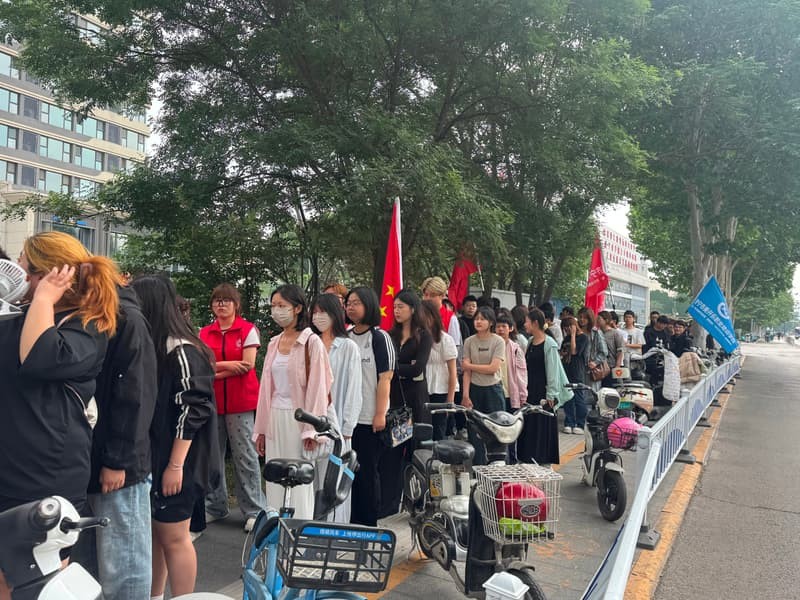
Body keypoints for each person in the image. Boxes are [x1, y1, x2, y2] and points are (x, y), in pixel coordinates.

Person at [0, 232, 121, 600]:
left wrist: (43, 298)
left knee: (44, 576)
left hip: (45, 473)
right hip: (10, 463)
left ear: (49, 275)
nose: (17, 272)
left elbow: (40, 358)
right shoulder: (20, 317)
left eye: (24, 265)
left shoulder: (87, 326)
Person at [130, 275, 220, 600]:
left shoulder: (182, 350)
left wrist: (175, 465)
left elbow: (193, 409)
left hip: (181, 459)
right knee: (157, 534)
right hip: (160, 457)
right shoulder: (157, 345)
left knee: (175, 536)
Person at [74, 282, 158, 600]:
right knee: (93, 567)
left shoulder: (125, 318)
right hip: (89, 461)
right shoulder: (87, 315)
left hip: (119, 467)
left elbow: (134, 395)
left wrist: (117, 459)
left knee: (124, 566)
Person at [254, 285, 332, 521]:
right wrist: (261, 429)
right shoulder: (274, 343)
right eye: (273, 306)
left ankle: (299, 529)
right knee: (275, 477)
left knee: (298, 479)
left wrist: (311, 430)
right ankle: (276, 529)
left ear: (297, 308)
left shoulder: (311, 342)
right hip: (275, 417)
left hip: (299, 420)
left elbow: (319, 388)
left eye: (282, 305)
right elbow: (266, 390)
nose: (276, 311)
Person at [200, 283, 266, 532]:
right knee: (212, 456)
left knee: (245, 455)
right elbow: (202, 366)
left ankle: (254, 510)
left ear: (236, 305)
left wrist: (215, 369)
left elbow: (247, 364)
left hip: (241, 402)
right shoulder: (204, 333)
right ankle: (215, 505)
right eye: (217, 300)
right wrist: (228, 366)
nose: (221, 304)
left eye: (226, 300)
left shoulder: (247, 330)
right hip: (213, 401)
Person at [309, 293, 363, 522]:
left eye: (323, 312)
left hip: (339, 423)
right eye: (315, 312)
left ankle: (335, 530)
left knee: (334, 480)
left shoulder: (348, 347)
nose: (318, 317)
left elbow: (354, 389)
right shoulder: (310, 344)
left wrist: (348, 427)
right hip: (312, 423)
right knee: (312, 481)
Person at [345, 287, 396, 526]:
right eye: (348, 303)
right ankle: (350, 520)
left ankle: (367, 524)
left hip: (369, 418)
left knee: (367, 473)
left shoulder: (379, 338)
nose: (351, 307)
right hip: (347, 419)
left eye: (356, 303)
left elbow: (385, 378)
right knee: (348, 473)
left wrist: (379, 413)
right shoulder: (345, 336)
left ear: (369, 305)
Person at [517, 309, 573, 465]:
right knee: (530, 424)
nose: (525, 324)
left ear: (535, 323)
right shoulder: (530, 341)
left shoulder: (550, 344)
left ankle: (544, 461)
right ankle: (529, 458)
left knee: (543, 425)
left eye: (527, 321)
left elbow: (553, 372)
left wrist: (551, 395)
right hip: (531, 390)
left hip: (544, 392)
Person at [462, 306, 506, 465]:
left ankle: (497, 467)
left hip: (493, 390)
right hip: (474, 389)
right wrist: (465, 395)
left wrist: (470, 365)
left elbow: (493, 368)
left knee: (496, 429)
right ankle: (478, 467)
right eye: (476, 319)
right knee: (475, 431)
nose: (478, 322)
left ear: (491, 322)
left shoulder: (498, 341)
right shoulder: (469, 341)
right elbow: (466, 372)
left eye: (482, 319)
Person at [419, 300, 458, 440]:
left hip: (440, 389)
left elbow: (453, 372)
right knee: (422, 429)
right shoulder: (417, 337)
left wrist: (450, 400)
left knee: (438, 430)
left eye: (424, 315)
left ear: (433, 317)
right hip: (422, 387)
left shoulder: (445, 339)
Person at [495, 314, 527, 463]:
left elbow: (522, 374)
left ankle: (512, 460)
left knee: (511, 429)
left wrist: (522, 395)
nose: (501, 329)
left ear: (511, 328)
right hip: (495, 394)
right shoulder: (492, 346)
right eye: (498, 326)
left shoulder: (515, 349)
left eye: (504, 326)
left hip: (510, 395)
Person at [560, 315, 589, 434]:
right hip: (566, 369)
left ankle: (580, 424)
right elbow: (563, 352)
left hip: (577, 371)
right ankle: (569, 422)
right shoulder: (566, 338)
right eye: (565, 328)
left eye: (568, 327)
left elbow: (574, 351)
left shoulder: (583, 338)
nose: (566, 330)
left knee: (578, 398)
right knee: (568, 398)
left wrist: (572, 336)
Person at [421, 276, 463, 353]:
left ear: (442, 296)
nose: (428, 298)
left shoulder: (451, 318)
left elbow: (455, 346)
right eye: (426, 295)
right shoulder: (418, 315)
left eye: (432, 295)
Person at [578, 307, 609, 393]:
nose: (582, 319)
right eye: (580, 317)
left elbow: (604, 352)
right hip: (578, 368)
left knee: (592, 393)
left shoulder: (596, 332)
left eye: (585, 317)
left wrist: (595, 362)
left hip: (591, 369)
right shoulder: (576, 331)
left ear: (590, 318)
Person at [597, 310, 626, 385]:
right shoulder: (597, 333)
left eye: (599, 319)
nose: (597, 321)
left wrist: (617, 366)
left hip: (611, 365)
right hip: (599, 366)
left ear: (606, 320)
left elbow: (620, 351)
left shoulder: (615, 333)